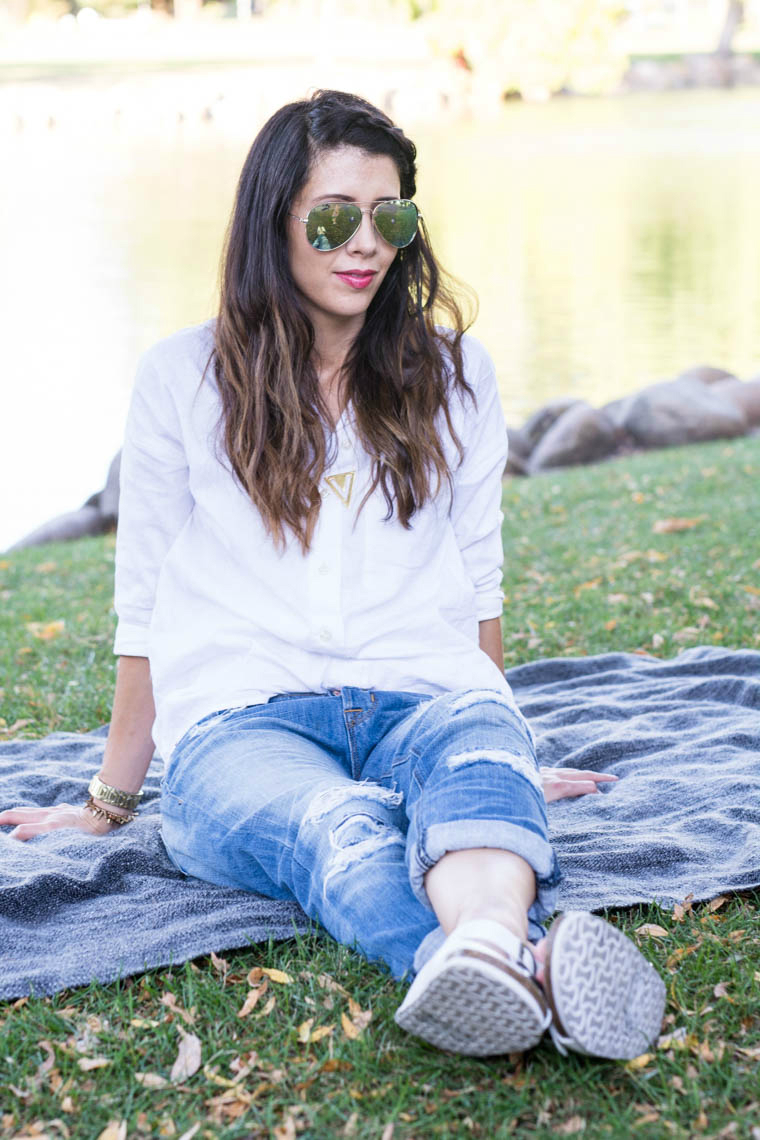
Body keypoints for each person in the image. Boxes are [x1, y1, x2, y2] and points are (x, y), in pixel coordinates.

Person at [0, 90, 665, 1060]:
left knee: (475, 772)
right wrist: (109, 801)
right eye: (331, 216)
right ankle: (514, 961)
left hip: (425, 692)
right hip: (241, 720)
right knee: (338, 822)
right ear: (273, 222)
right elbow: (139, 605)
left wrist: (503, 751)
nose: (365, 243)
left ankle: (486, 956)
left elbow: (479, 581)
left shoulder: (457, 375)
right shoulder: (180, 381)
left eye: (389, 215)